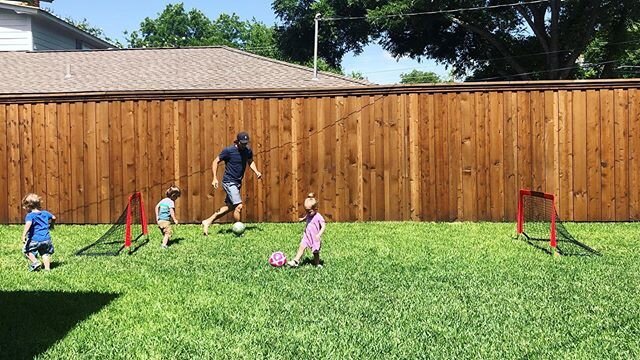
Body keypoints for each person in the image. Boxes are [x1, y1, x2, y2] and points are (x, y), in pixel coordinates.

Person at [202, 131, 262, 235]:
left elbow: (250, 161)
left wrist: (256, 171)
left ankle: (208, 221)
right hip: (229, 181)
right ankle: (238, 230)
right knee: (239, 206)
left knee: (230, 207)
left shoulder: (247, 151)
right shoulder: (228, 151)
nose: (244, 145)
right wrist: (215, 178)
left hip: (237, 182)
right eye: (242, 143)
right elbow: (215, 161)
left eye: (246, 143)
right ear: (237, 141)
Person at [288, 193, 326, 268]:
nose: (308, 213)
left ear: (316, 209)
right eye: (306, 211)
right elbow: (306, 217)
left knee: (315, 252)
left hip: (315, 237)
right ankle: (296, 260)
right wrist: (302, 219)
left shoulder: (318, 217)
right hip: (307, 236)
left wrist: (319, 234)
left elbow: (323, 226)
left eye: (309, 211)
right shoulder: (309, 214)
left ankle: (317, 263)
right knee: (301, 247)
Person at [21, 193, 56, 271]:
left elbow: (28, 224)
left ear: (29, 207)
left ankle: (35, 262)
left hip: (34, 239)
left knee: (26, 251)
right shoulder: (45, 213)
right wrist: (52, 225)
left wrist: (24, 235)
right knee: (45, 254)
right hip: (46, 239)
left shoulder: (30, 215)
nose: (24, 209)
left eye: (25, 207)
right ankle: (47, 269)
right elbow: (54, 217)